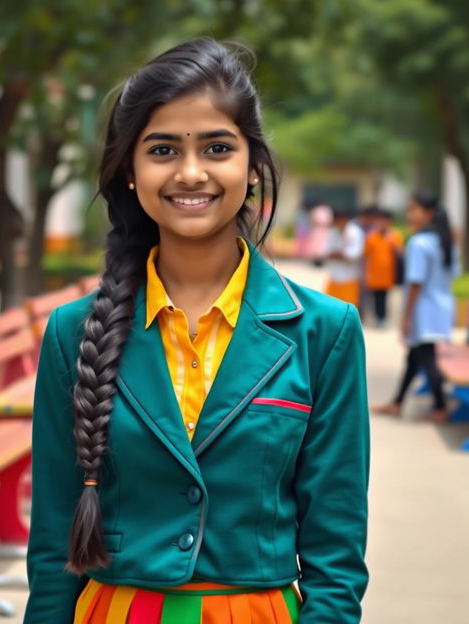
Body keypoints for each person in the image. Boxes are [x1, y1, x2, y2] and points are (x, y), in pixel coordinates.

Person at [24, 39, 369, 624]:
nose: (190, 173)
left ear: (253, 167)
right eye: (162, 149)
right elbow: (56, 537)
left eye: (217, 147)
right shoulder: (73, 331)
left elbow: (336, 554)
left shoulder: (325, 331)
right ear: (130, 170)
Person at [373, 192, 458, 423]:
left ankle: (440, 407)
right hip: (442, 306)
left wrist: (407, 317)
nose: (409, 215)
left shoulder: (419, 242)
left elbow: (416, 282)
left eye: (413, 209)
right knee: (415, 357)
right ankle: (397, 403)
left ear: (429, 213)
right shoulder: (445, 240)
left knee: (427, 359)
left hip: (423, 307)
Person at [364, 209, 404, 327]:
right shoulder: (372, 237)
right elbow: (366, 254)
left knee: (385, 297)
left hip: (388, 274)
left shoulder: (394, 236)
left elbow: (400, 252)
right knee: (376, 297)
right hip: (374, 273)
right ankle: (377, 317)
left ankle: (383, 318)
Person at [324, 208, 365, 308]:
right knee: (330, 306)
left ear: (344, 220)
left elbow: (355, 254)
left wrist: (339, 255)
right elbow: (327, 251)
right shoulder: (332, 231)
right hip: (334, 276)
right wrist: (340, 255)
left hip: (350, 278)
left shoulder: (355, 232)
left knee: (348, 307)